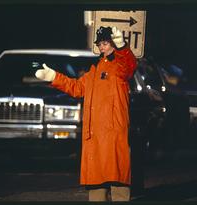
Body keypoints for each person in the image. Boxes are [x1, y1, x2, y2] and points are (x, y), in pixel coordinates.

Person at [35, 26, 137, 201]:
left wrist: (122, 46)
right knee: (96, 185)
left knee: (117, 181)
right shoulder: (94, 69)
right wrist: (54, 77)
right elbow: (77, 88)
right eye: (99, 44)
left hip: (112, 134)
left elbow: (128, 66)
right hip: (95, 135)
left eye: (106, 43)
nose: (102, 47)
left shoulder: (119, 67)